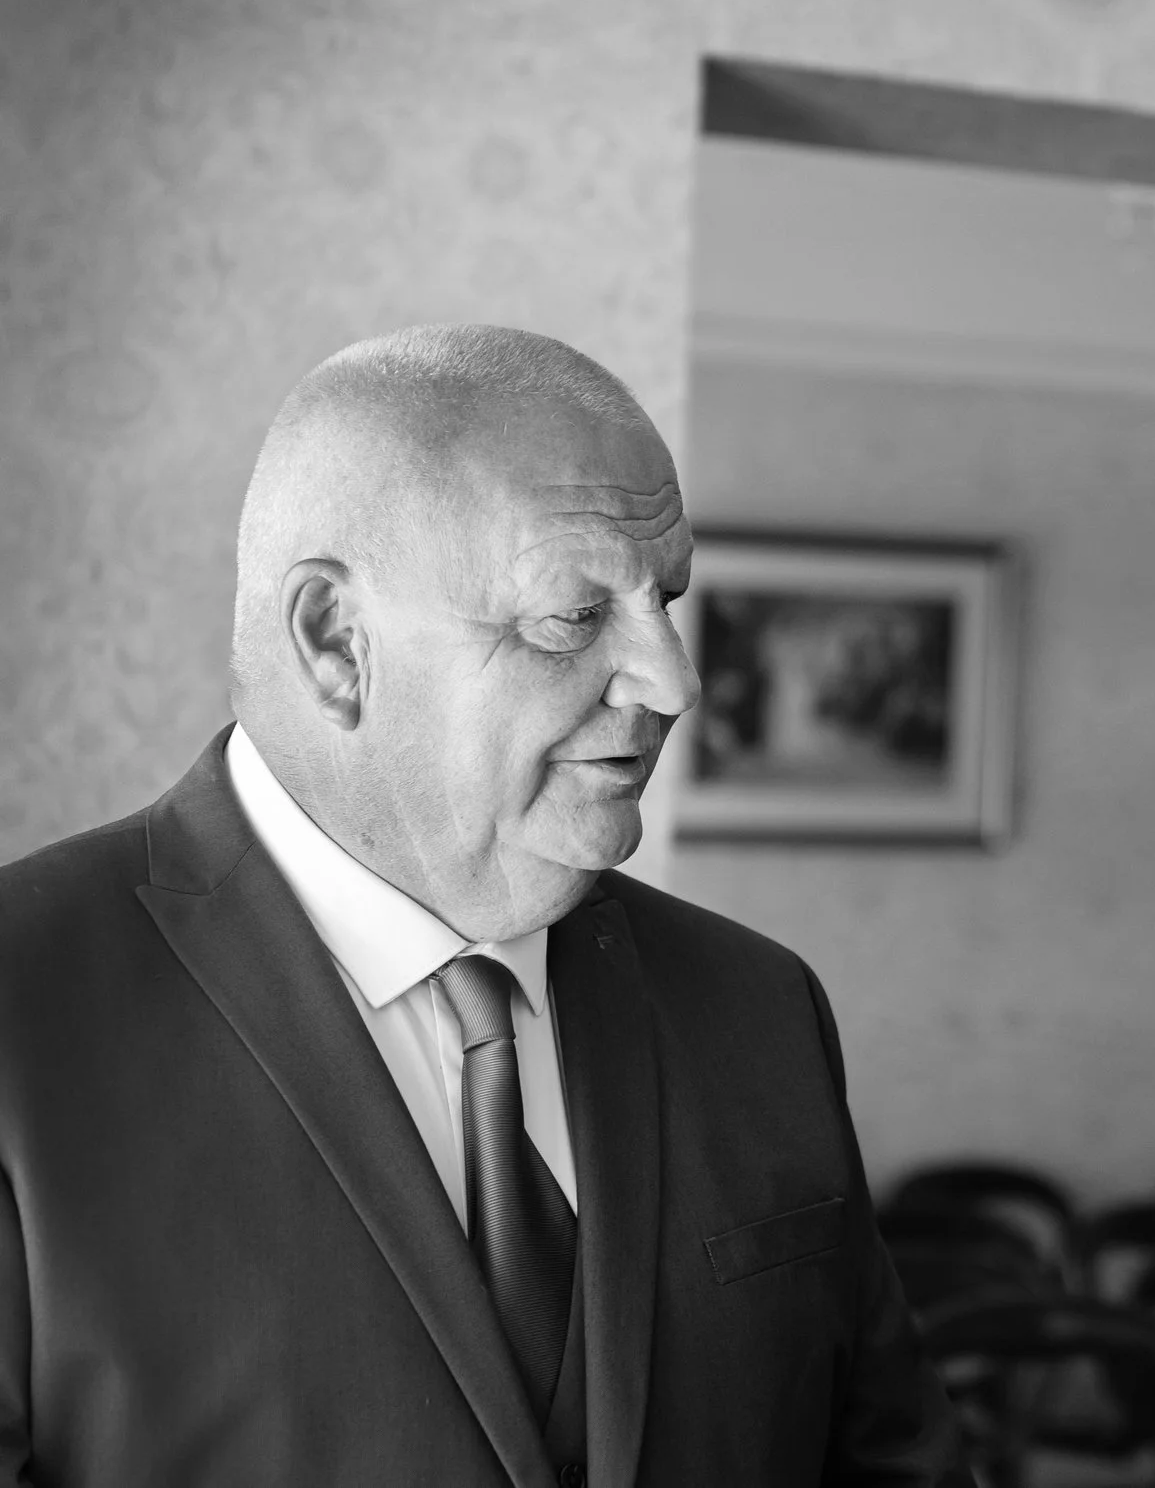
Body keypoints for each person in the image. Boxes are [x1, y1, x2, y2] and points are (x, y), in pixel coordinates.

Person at [0, 326, 965, 1486]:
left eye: (663, 598)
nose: (674, 681)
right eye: (574, 615)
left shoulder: (759, 1005)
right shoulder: (26, 1003)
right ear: (335, 642)